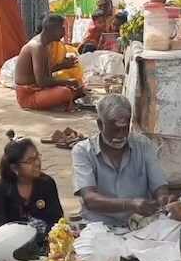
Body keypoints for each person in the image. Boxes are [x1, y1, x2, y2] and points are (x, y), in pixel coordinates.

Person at [71, 94, 172, 228]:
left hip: (140, 223)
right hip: (99, 225)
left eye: (125, 129)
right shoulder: (82, 151)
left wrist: (163, 197)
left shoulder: (142, 145)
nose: (121, 135)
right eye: (115, 130)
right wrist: (130, 203)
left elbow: (159, 185)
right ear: (100, 125)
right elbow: (90, 200)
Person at [0, 131, 65, 233]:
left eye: (37, 157)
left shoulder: (47, 183)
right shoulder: (1, 187)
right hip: (12, 239)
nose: (37, 163)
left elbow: (56, 218)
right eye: (30, 160)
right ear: (14, 168)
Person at [14, 13, 85, 111]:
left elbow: (44, 73)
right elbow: (42, 82)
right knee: (66, 92)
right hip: (29, 96)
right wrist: (68, 83)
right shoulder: (37, 47)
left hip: (39, 90)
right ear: (55, 29)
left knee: (74, 88)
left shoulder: (44, 45)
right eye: (63, 28)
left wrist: (62, 67)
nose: (64, 32)